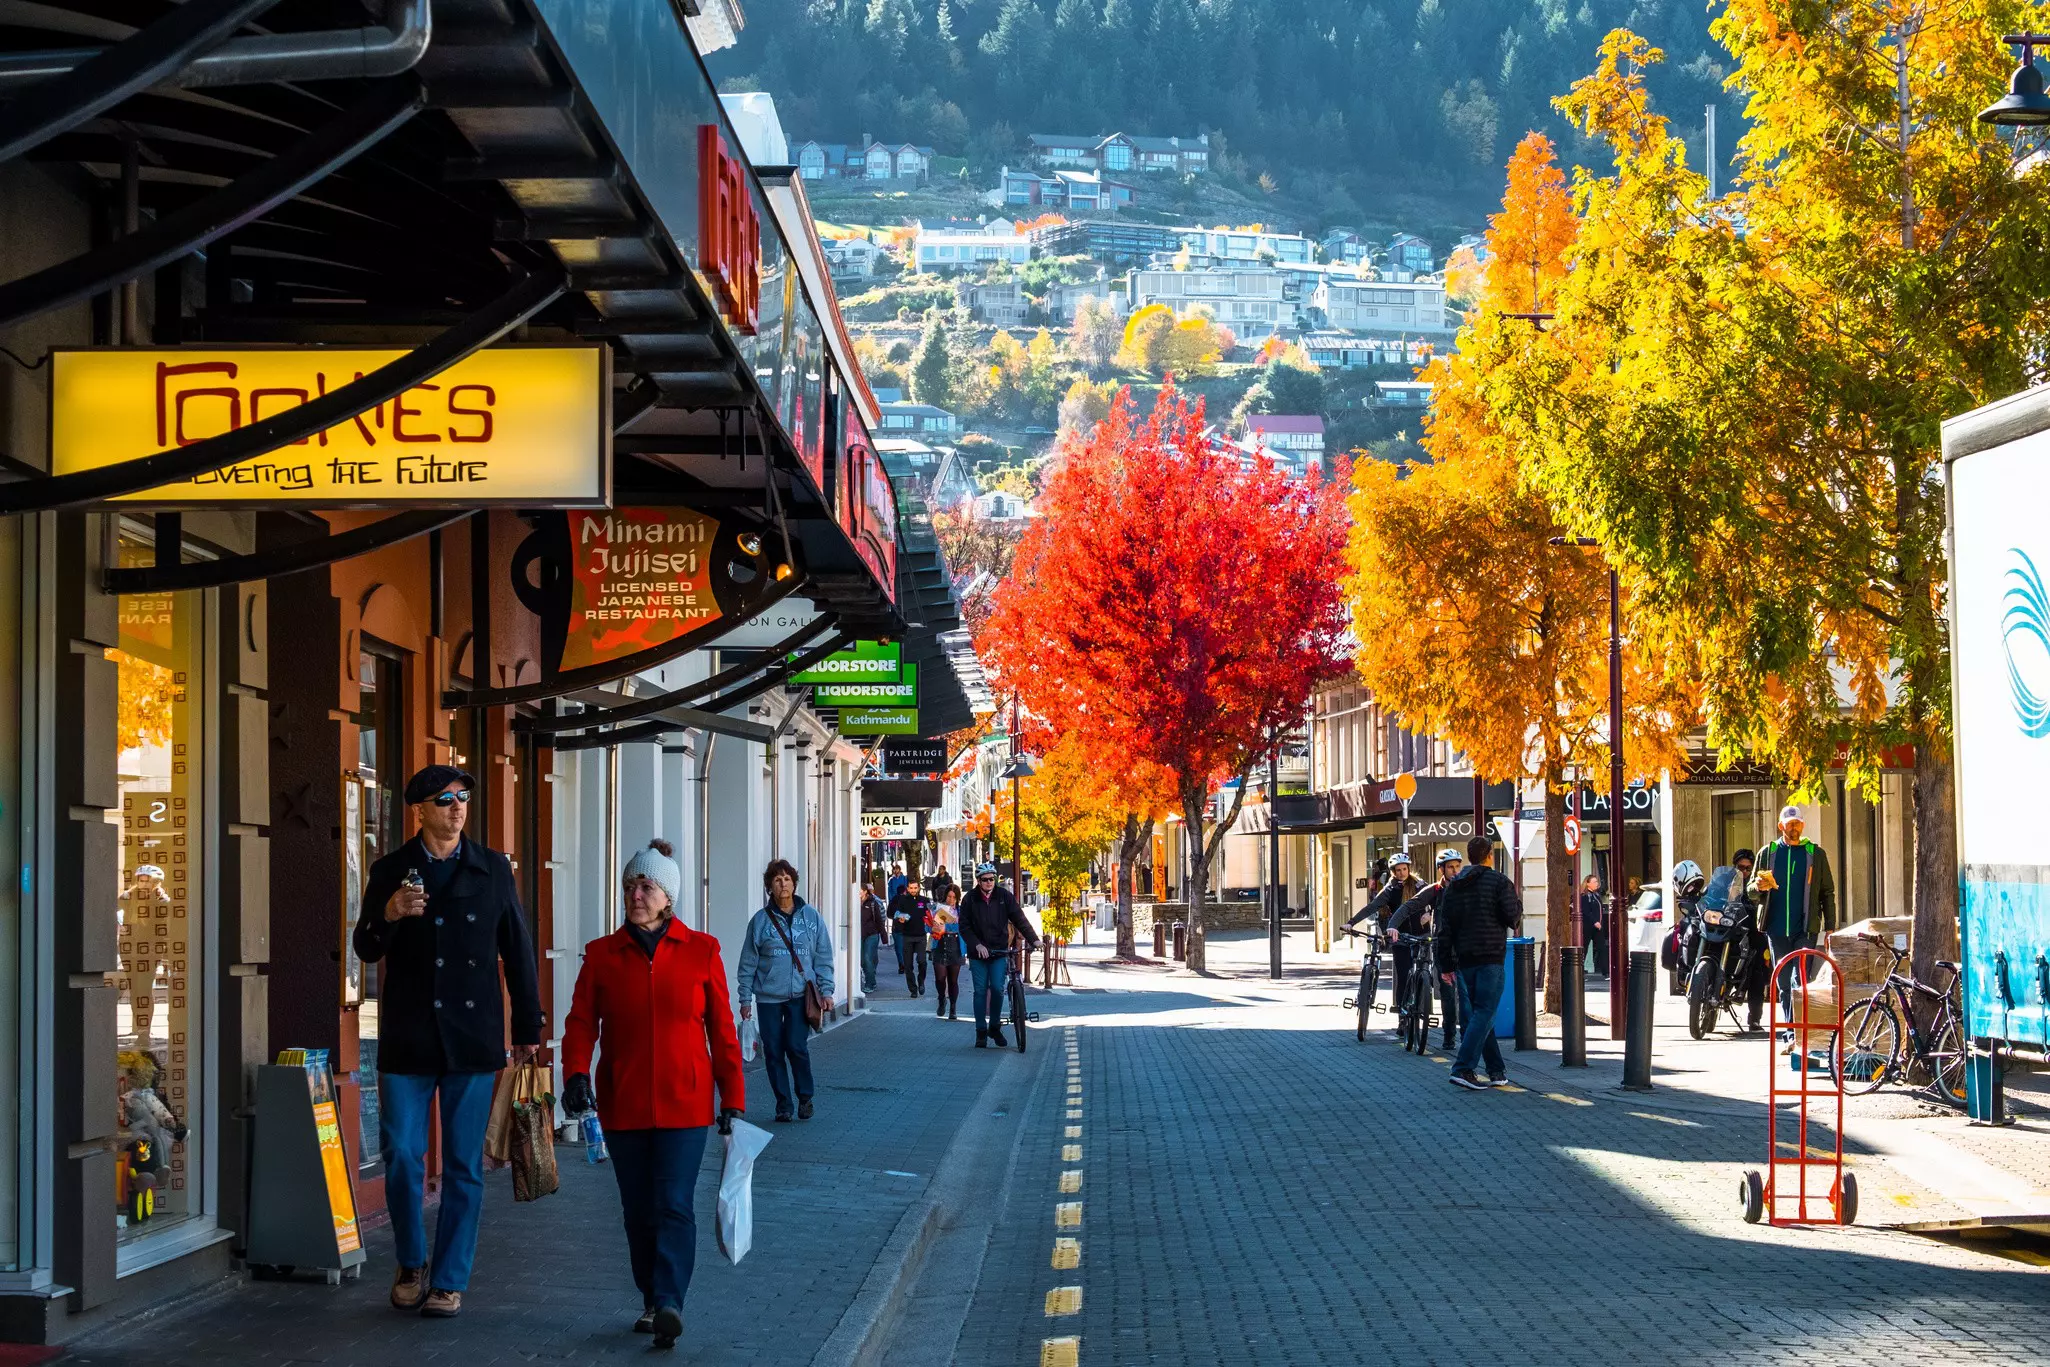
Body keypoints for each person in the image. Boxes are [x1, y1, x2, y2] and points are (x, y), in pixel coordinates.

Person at [353, 764, 542, 1318]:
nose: (457, 807)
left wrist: (527, 1027)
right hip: (409, 1036)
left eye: (462, 797)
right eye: (444, 800)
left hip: (472, 1036)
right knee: (403, 1155)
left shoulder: (491, 870)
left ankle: (450, 1279)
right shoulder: (391, 869)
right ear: (420, 811)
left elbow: (519, 948)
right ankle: (412, 1261)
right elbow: (364, 946)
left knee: (462, 1164)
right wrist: (387, 914)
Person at [562, 840, 744, 1350]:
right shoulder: (602, 954)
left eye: (645, 887)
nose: (635, 895)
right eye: (629, 886)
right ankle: (650, 1296)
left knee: (674, 1204)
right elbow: (580, 1024)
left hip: (685, 1104)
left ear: (668, 897)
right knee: (638, 1208)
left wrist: (732, 1098)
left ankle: (669, 1301)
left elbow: (723, 1032)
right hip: (623, 1102)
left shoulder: (703, 950)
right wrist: (575, 1073)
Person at [737, 859, 835, 1122]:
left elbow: (823, 955)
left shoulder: (811, 917)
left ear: (794, 883)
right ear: (770, 886)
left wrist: (827, 991)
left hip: (800, 996)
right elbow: (748, 962)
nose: (783, 884)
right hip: (768, 998)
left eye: (787, 879)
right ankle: (783, 1105)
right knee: (773, 1051)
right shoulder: (760, 921)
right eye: (777, 880)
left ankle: (805, 1097)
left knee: (796, 1045)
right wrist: (745, 998)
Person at [1437, 835, 1521, 1091]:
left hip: (1465, 958)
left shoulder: (1454, 886)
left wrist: (1446, 965)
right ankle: (1463, 1068)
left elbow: (1445, 929)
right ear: (1490, 855)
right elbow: (1513, 917)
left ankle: (1496, 1070)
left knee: (1481, 1015)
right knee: (1485, 1012)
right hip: (1490, 955)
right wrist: (1516, 902)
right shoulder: (1498, 881)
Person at [1748, 808, 1838, 1048]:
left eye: (1798, 823)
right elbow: (1750, 891)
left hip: (1805, 929)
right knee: (1784, 982)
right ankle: (1790, 1032)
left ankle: (1798, 1035)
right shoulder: (1768, 853)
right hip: (1776, 928)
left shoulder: (1815, 854)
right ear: (1781, 826)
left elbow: (1827, 892)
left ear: (1803, 826)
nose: (1794, 827)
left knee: (1801, 981)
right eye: (1790, 824)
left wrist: (1830, 927)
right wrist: (1757, 886)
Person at [959, 861, 1041, 1048]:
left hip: (999, 950)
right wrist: (977, 945)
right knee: (980, 990)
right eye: (985, 880)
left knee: (997, 988)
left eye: (992, 879)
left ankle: (994, 1027)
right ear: (978, 881)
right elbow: (964, 926)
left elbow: (1019, 919)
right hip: (978, 953)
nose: (989, 883)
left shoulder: (1004, 896)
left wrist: (1034, 939)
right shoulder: (970, 899)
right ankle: (981, 1031)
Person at [1392, 849, 1465, 1049]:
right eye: (1450, 867)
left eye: (1458, 866)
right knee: (1448, 996)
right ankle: (1449, 1037)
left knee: (1466, 996)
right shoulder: (1435, 890)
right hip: (1443, 949)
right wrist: (1392, 924)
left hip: (1466, 948)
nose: (1455, 870)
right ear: (1441, 869)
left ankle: (1466, 1038)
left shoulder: (1467, 888)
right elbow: (1409, 906)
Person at [1349, 851, 1421, 1008]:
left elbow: (1433, 901)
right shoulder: (1390, 890)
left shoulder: (1420, 886)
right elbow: (1371, 907)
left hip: (1421, 935)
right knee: (1403, 976)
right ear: (1392, 872)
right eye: (1398, 870)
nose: (1402, 873)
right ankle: (1402, 1015)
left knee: (1422, 972)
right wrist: (1351, 922)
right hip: (1399, 936)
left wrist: (1429, 914)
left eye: (1404, 869)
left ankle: (1421, 1001)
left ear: (1408, 869)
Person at [889, 876, 933, 997]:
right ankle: (913, 989)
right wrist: (900, 919)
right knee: (908, 965)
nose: (913, 890)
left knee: (922, 962)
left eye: (915, 888)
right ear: (907, 888)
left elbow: (931, 915)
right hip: (907, 936)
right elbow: (897, 915)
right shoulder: (902, 900)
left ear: (918, 888)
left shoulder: (924, 901)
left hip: (921, 936)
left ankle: (921, 981)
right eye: (911, 888)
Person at [930, 886, 965, 1019]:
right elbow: (928, 926)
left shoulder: (961, 911)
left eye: (954, 897)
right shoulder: (938, 909)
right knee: (940, 978)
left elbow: (963, 927)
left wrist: (948, 926)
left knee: (953, 980)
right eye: (949, 897)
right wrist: (933, 926)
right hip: (940, 944)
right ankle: (941, 999)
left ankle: (953, 1008)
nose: (951, 900)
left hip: (955, 945)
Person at [859, 883, 888, 994]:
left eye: (860, 890)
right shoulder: (854, 903)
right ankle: (871, 980)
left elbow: (880, 920)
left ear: (865, 891)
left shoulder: (872, 903)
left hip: (872, 934)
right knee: (862, 960)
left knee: (867, 958)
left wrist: (884, 935)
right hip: (859, 935)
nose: (858, 893)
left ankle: (870, 983)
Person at [1578, 874, 1607, 979]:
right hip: (1588, 926)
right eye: (1594, 882)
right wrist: (1594, 922)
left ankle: (1606, 972)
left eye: (1597, 882)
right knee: (1584, 948)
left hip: (1598, 927)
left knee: (1602, 948)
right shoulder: (1584, 896)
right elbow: (1586, 911)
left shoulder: (1596, 895)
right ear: (1588, 883)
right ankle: (1579, 972)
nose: (1597, 884)